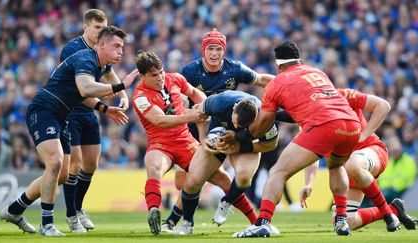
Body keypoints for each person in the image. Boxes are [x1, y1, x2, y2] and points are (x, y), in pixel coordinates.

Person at [0, 25, 137, 236]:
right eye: (116, 46)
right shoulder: (85, 59)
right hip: (44, 109)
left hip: (61, 116)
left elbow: (82, 95)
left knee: (62, 174)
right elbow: (85, 88)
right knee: (54, 163)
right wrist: (119, 87)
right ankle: (47, 224)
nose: (120, 51)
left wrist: (105, 109)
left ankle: (14, 209)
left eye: (122, 47)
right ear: (101, 44)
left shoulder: (99, 65)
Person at [225, 41, 362, 237]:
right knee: (335, 166)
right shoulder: (318, 72)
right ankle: (341, 220)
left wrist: (241, 136)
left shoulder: (277, 82)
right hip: (351, 124)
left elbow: (263, 123)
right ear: (300, 60)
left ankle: (262, 222)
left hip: (324, 125)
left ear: (278, 64)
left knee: (278, 172)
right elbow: (303, 109)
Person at [132, 51, 256, 235]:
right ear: (142, 76)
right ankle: (154, 210)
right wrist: (188, 116)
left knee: (222, 178)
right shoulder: (140, 96)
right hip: (160, 144)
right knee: (154, 168)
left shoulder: (175, 79)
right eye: (153, 75)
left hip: (186, 142)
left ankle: (257, 221)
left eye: (161, 72)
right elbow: (160, 120)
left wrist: (202, 119)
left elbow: (199, 97)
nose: (159, 78)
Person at [162, 28, 275, 231]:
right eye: (210, 49)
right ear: (203, 51)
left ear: (224, 51)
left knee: (235, 177)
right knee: (185, 182)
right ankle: (177, 220)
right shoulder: (190, 72)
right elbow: (183, 104)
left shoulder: (236, 70)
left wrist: (285, 85)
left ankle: (179, 221)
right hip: (198, 127)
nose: (214, 53)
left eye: (218, 49)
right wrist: (201, 134)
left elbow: (260, 79)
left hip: (235, 126)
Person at [299, 89, 409, 231]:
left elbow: (383, 105)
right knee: (348, 221)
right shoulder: (309, 115)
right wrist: (308, 183)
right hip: (347, 169)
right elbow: (312, 153)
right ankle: (394, 209)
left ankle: (387, 214)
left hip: (371, 151)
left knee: (353, 163)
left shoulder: (342, 95)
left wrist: (364, 135)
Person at [60, 9, 129, 233]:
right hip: (71, 110)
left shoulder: (101, 51)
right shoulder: (73, 49)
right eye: (98, 28)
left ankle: (78, 208)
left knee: (91, 165)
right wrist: (104, 99)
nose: (102, 32)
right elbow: (80, 88)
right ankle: (71, 216)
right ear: (86, 27)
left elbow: (109, 73)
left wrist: (123, 95)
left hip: (90, 113)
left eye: (104, 28)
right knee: (75, 164)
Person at [173, 90, 280, 235]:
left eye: (240, 126)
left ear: (254, 120)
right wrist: (203, 139)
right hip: (216, 139)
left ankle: (226, 202)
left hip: (244, 144)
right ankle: (187, 223)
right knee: (192, 181)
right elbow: (199, 114)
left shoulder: (264, 118)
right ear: (235, 107)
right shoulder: (220, 102)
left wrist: (240, 146)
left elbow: (270, 145)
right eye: (234, 122)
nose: (235, 127)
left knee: (244, 177)